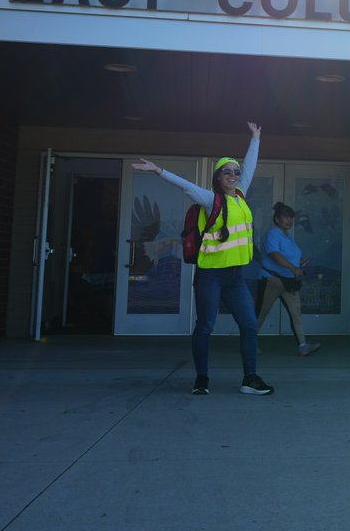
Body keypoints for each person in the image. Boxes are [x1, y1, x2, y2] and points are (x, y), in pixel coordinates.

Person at [131, 121, 274, 396]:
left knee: (249, 325)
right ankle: (202, 378)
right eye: (226, 171)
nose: (233, 175)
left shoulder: (240, 196)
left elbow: (250, 167)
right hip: (211, 274)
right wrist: (159, 171)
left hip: (235, 276)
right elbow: (185, 186)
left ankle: (250, 379)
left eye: (235, 171)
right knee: (205, 326)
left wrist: (255, 138)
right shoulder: (211, 200)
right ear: (218, 177)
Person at [255, 201, 321, 357]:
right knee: (261, 313)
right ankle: (249, 343)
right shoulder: (272, 234)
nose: (289, 220)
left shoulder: (287, 236)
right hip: (272, 279)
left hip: (289, 281)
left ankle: (303, 346)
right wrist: (293, 268)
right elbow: (274, 254)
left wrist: (300, 261)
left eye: (291, 217)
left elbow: (288, 255)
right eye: (285, 217)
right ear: (277, 219)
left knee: (296, 313)